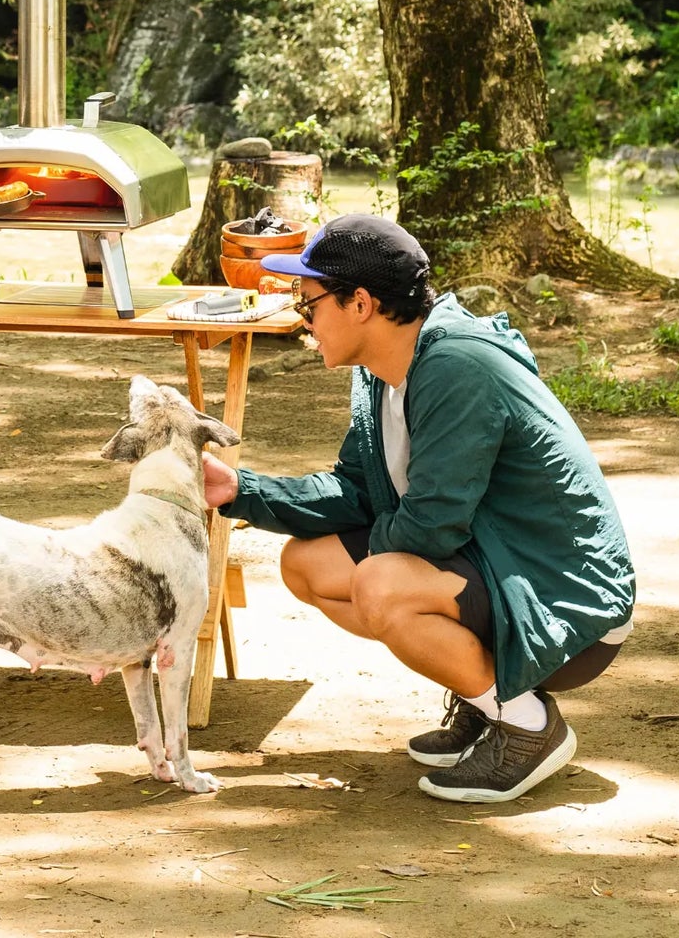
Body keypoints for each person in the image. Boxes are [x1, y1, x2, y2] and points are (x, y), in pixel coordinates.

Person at [205, 215, 635, 804]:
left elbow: (432, 525)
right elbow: (355, 492)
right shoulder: (383, 373)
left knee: (380, 585)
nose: (305, 321)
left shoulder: (456, 367)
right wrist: (240, 490)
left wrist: (374, 578)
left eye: (309, 305)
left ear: (361, 304)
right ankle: (486, 699)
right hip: (496, 565)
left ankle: (526, 724)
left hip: (565, 606)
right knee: (307, 565)